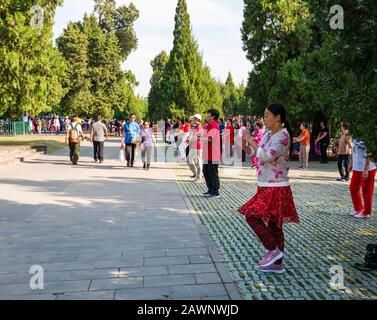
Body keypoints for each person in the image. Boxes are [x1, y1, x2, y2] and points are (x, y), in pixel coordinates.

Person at [239, 103, 299, 274]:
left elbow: (266, 156)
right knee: (274, 224)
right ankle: (277, 263)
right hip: (265, 184)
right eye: (264, 115)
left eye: (267, 115)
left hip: (277, 186)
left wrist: (252, 140)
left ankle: (274, 250)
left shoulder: (283, 136)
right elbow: (256, 156)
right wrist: (246, 147)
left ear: (278, 117)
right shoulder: (267, 134)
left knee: (252, 216)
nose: (264, 119)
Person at [349, 140, 376, 219]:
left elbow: (370, 153)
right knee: (353, 188)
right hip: (357, 168)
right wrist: (351, 163)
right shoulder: (355, 136)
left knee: (367, 191)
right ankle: (358, 209)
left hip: (368, 168)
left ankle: (366, 212)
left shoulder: (367, 135)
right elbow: (354, 151)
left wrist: (366, 168)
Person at [202, 109, 221, 199]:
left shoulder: (214, 125)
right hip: (208, 153)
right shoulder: (208, 125)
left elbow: (210, 139)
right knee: (206, 171)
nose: (206, 115)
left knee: (213, 172)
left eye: (208, 114)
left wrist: (199, 139)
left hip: (213, 153)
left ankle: (215, 191)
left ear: (212, 116)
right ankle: (210, 189)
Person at [187, 114, 203, 182]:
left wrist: (190, 139)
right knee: (189, 159)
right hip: (194, 145)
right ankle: (195, 174)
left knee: (198, 161)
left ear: (197, 119)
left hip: (198, 146)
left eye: (194, 118)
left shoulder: (199, 127)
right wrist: (189, 138)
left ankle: (199, 177)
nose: (192, 120)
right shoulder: (195, 126)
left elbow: (198, 137)